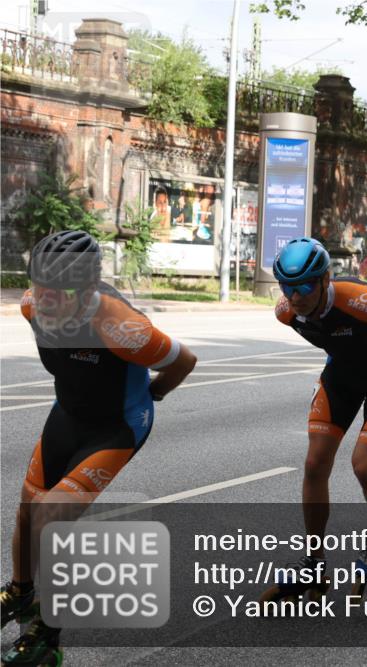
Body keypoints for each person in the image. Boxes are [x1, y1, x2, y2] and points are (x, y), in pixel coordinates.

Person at [1, 231, 197, 665]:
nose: (45, 300)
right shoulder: (33, 305)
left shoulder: (122, 326)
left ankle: (48, 636)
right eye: (39, 286)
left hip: (116, 426)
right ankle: (20, 593)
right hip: (68, 414)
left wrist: (154, 395)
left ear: (88, 289)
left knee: (51, 516)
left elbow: (185, 362)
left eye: (59, 291)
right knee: (26, 511)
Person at [266, 237, 367, 598]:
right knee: (314, 463)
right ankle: (314, 565)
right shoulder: (286, 312)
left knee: (365, 465)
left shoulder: (360, 299)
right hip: (343, 376)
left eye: (305, 285)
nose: (296, 295)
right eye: (287, 287)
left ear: (324, 280)